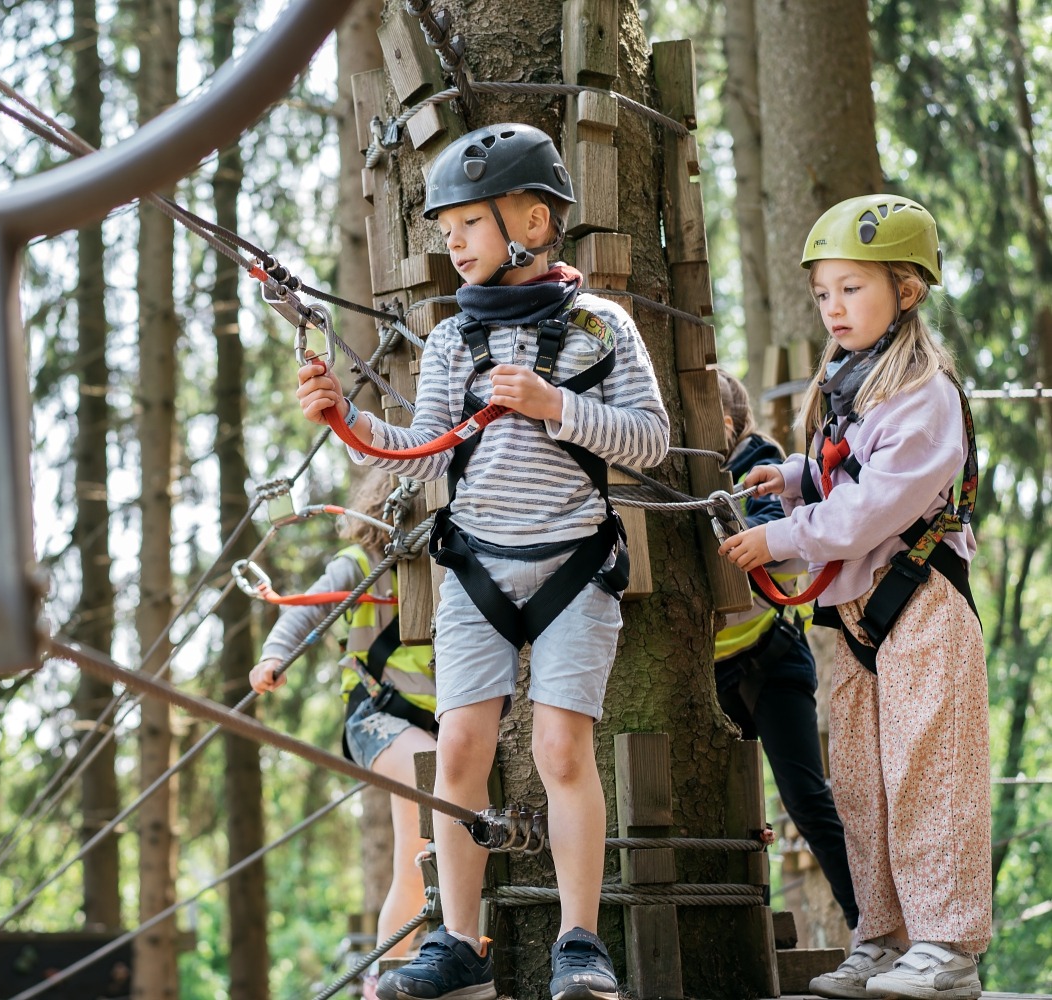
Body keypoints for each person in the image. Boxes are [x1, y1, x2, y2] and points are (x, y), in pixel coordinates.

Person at [296, 123, 669, 1000]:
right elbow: (424, 454)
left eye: (466, 224)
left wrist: (554, 406)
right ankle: (459, 939)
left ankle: (581, 941)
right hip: (477, 570)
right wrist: (348, 427)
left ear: (532, 223)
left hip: (574, 562)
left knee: (561, 748)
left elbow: (652, 443)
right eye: (446, 228)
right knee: (459, 746)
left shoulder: (601, 327)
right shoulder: (450, 340)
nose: (451, 243)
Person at [719, 194, 989, 1000]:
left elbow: (882, 502)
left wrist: (783, 536)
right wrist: (798, 477)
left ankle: (946, 947)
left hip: (921, 604)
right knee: (864, 783)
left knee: (927, 771)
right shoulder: (851, 381)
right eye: (824, 292)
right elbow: (856, 469)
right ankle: (886, 935)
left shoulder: (924, 391)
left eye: (854, 289)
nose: (835, 308)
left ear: (906, 291)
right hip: (857, 617)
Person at [249, 467, 438, 995]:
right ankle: (387, 973)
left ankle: (393, 972)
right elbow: (303, 613)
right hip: (378, 720)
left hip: (431, 728)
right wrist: (273, 657)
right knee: (432, 772)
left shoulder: (446, 572)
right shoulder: (359, 565)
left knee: (418, 859)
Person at [712, 368, 859, 938]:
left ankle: (869, 926)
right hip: (716, 678)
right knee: (727, 810)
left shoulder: (758, 466)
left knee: (806, 801)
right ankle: (739, 923)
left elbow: (771, 543)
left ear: (724, 424)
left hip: (771, 663)